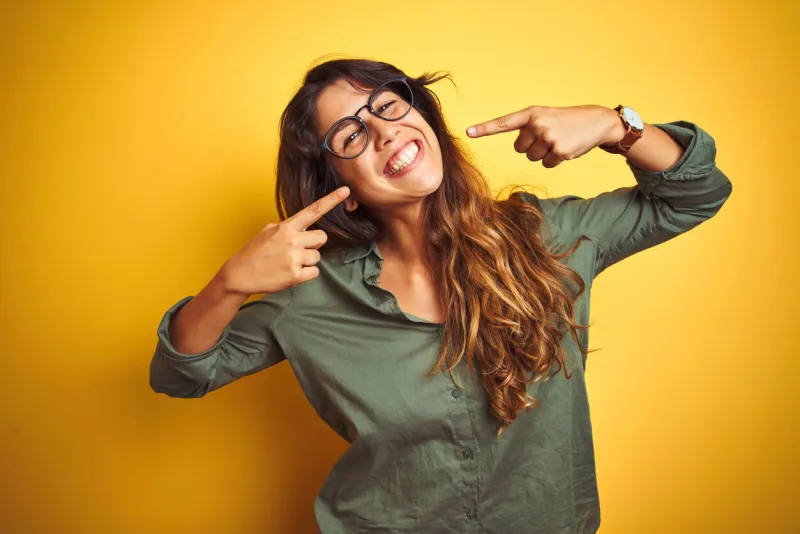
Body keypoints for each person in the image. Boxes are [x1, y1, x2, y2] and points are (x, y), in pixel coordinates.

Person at [149, 58, 733, 533]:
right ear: (336, 182)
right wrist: (230, 282)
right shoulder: (308, 292)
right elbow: (181, 374)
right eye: (350, 134)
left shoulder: (548, 239)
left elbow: (695, 194)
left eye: (387, 105)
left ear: (421, 115)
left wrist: (615, 126)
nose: (384, 131)